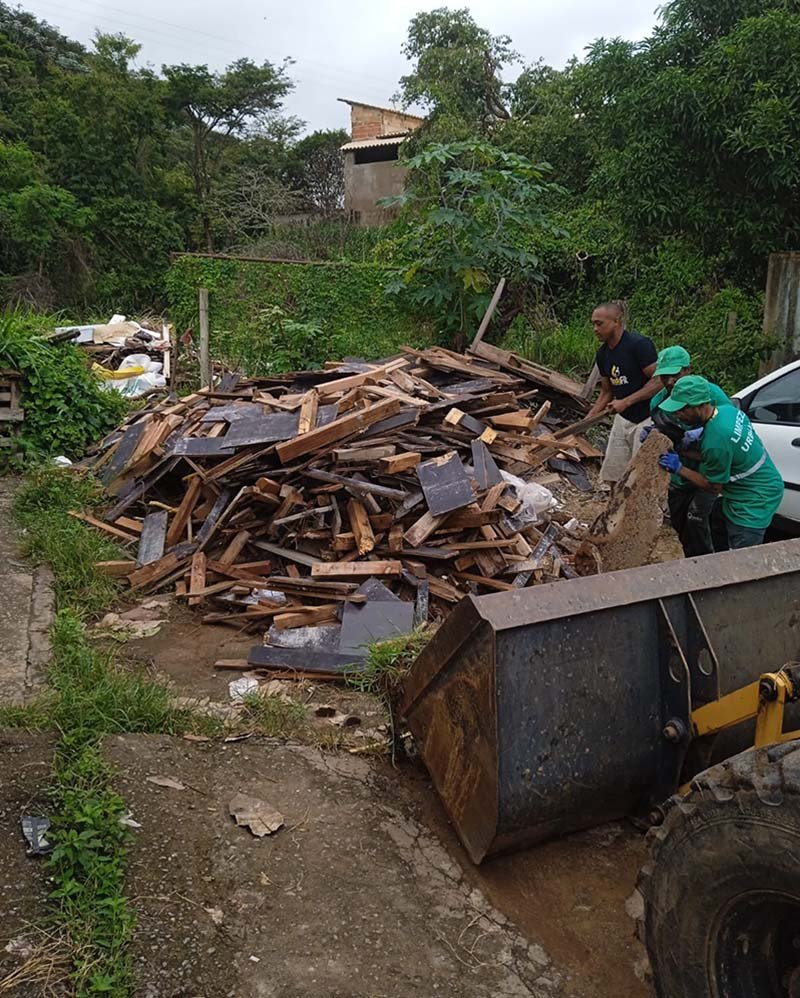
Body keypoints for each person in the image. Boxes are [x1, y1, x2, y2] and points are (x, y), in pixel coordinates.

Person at [658, 376, 784, 549]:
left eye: (681, 410)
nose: (677, 415)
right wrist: (682, 451)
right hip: (760, 483)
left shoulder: (716, 439)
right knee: (716, 520)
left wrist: (680, 469)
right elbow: (724, 455)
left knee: (743, 556)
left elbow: (713, 486)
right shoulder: (726, 411)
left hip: (754, 498)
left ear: (699, 405)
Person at [645, 346, 732, 557]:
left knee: (702, 522)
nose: (669, 381)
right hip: (679, 476)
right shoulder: (659, 402)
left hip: (706, 470)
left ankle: (711, 569)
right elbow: (660, 434)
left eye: (674, 375)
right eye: (664, 376)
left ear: (688, 370)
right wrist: (653, 437)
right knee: (681, 524)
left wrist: (701, 433)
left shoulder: (711, 394)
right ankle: (691, 565)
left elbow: (727, 430)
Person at [587, 302, 659, 483]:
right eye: (593, 324)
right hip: (623, 419)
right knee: (613, 474)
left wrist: (626, 401)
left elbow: (658, 381)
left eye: (599, 323)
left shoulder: (639, 345)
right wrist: (591, 416)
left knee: (639, 477)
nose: (595, 329)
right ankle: (613, 509)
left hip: (647, 418)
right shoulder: (603, 354)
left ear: (616, 322)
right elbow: (606, 392)